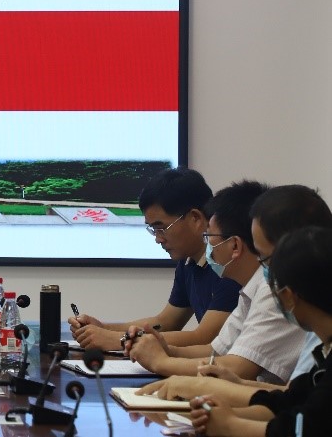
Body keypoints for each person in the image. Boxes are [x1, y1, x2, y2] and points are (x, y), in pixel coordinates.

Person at [140, 184, 332, 404]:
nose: (264, 269)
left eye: (264, 256)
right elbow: (290, 396)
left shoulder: (274, 289)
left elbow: (240, 368)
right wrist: (168, 352)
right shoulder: (252, 287)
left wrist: (162, 362)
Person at [69, 167, 241, 351]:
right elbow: (166, 322)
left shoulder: (228, 263)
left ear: (195, 218)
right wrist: (103, 328)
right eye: (153, 229)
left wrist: (119, 339)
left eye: (162, 228)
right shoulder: (188, 262)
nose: (158, 239)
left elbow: (205, 338)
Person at [184, 225, 332, 436]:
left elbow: (305, 429)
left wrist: (231, 425)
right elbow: (291, 401)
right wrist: (232, 397)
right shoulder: (324, 353)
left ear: (288, 295)